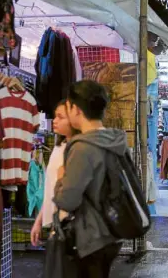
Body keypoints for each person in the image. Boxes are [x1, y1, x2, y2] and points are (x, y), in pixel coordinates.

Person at [53, 80, 125, 277]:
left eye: (67, 108)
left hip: (90, 237)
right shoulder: (114, 140)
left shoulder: (83, 147)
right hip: (113, 230)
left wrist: (60, 178)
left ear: (76, 109)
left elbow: (67, 200)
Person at [30, 100, 78, 247]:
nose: (55, 121)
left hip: (70, 228)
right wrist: (39, 221)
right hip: (59, 227)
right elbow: (51, 190)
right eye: (54, 116)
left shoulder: (77, 150)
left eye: (60, 117)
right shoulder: (59, 148)